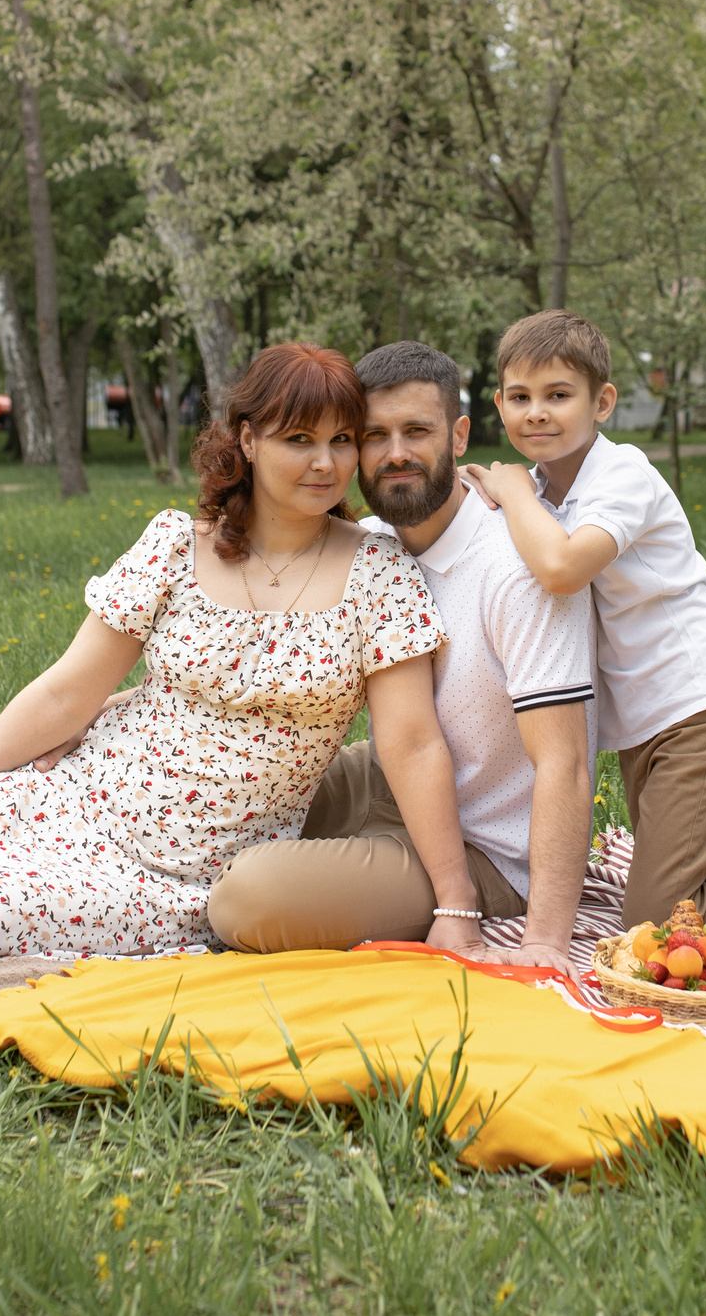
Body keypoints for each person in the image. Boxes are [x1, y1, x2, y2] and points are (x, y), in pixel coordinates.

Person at [0, 343, 485, 957]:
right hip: (88, 792)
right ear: (249, 440)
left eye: (341, 441)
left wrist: (455, 902)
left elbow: (412, 741)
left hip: (193, 868)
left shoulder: (379, 573)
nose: (324, 463)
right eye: (299, 440)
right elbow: (66, 690)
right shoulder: (175, 546)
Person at [207, 341, 598, 972]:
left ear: (459, 436)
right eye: (373, 436)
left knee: (246, 900)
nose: (395, 454)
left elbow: (566, 764)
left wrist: (547, 943)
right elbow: (246, 670)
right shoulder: (374, 545)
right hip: (385, 779)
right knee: (210, 802)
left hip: (484, 847)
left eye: (416, 431)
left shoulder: (515, 569)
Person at [464, 310, 706, 924]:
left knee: (657, 915)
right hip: (640, 722)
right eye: (520, 397)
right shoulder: (537, 492)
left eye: (558, 395)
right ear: (499, 405)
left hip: (697, 706)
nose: (536, 412)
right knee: (675, 875)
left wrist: (511, 492)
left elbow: (563, 568)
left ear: (603, 402)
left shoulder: (623, 474)